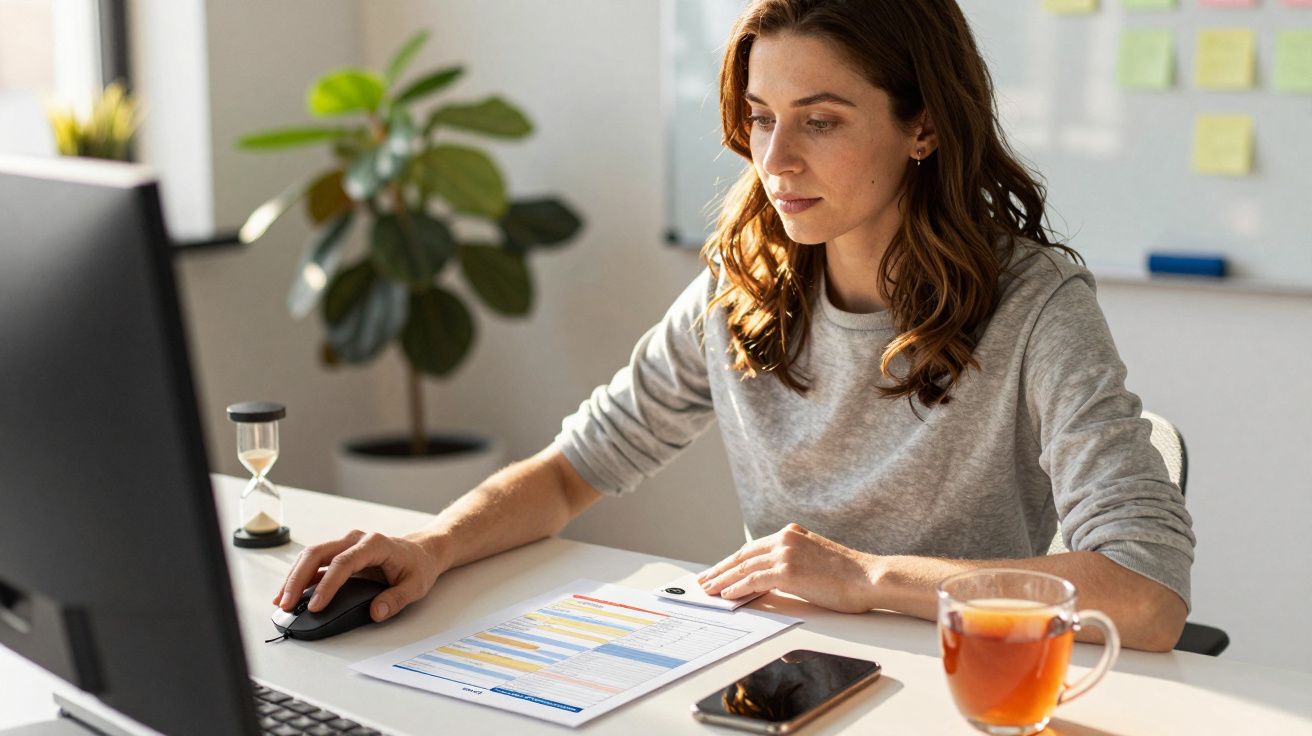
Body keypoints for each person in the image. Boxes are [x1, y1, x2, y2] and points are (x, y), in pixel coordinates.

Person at [275, 0, 1194, 652]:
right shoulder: (744, 282)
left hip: (962, 688)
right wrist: (430, 546)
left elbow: (1147, 595)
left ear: (923, 127)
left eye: (820, 121)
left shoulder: (1035, 305)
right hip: (785, 679)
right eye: (759, 119)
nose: (776, 161)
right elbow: (568, 474)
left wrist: (871, 580)